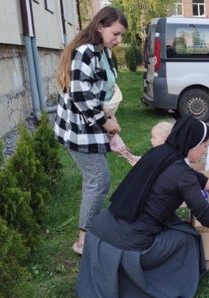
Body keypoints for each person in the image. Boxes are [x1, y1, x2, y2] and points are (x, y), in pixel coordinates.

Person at [75, 116, 209, 298]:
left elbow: (198, 178)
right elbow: (208, 217)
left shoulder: (160, 153)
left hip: (98, 234)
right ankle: (162, 286)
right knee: (187, 237)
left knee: (174, 226)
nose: (205, 150)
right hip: (126, 247)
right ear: (192, 145)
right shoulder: (181, 173)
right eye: (204, 146)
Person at [53, 6, 127, 255]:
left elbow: (101, 90)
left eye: (122, 35)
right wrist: (105, 122)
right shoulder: (85, 52)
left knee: (96, 180)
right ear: (99, 27)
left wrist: (108, 120)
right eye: (115, 33)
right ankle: (84, 241)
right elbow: (81, 95)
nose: (119, 40)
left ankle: (88, 235)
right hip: (78, 129)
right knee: (98, 180)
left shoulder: (102, 52)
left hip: (91, 125)